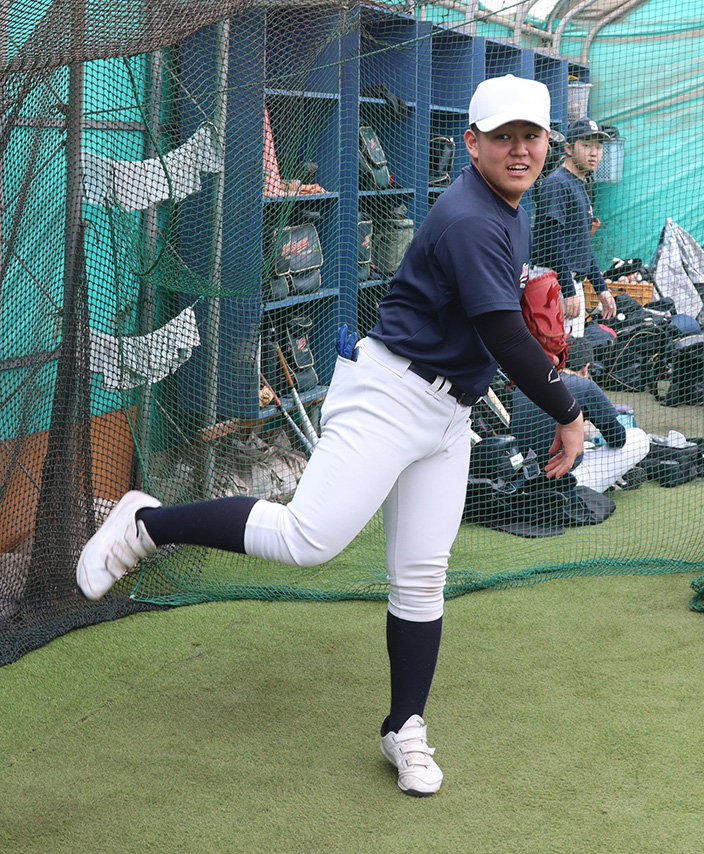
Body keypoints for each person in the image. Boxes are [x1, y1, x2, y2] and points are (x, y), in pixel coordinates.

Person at [76, 74, 584, 798]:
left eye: (531, 135)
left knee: (420, 577)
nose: (519, 149)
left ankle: (403, 726)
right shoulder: (472, 214)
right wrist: (568, 412)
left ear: (546, 144)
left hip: (446, 413)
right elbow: (504, 335)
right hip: (390, 397)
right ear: (471, 144)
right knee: (307, 539)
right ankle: (147, 522)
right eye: (502, 136)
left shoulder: (510, 206)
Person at [510, 337, 649, 494]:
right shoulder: (585, 385)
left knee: (579, 447)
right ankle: (614, 479)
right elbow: (618, 439)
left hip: (524, 479)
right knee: (638, 437)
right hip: (566, 482)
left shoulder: (523, 385)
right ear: (586, 368)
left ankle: (613, 480)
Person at [530, 118, 616, 338]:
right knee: (556, 356)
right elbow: (552, 239)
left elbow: (583, 246)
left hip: (568, 282)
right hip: (553, 283)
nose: (594, 153)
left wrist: (601, 287)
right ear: (568, 148)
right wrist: (568, 290)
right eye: (586, 145)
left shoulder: (580, 183)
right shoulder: (557, 183)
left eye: (598, 146)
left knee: (572, 355)